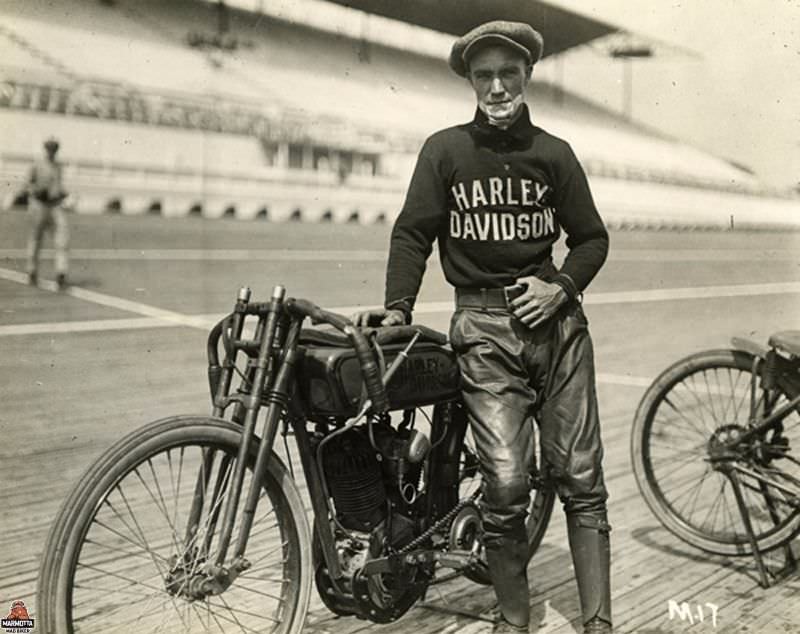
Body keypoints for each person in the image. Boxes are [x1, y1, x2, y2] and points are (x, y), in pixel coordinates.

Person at [354, 20, 612, 634]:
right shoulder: (444, 150)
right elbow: (412, 234)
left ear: (526, 76)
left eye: (508, 74)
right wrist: (398, 308)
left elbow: (592, 240)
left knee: (581, 478)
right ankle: (513, 620)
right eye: (484, 76)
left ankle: (599, 623)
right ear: (470, 81)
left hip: (559, 331)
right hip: (482, 330)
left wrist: (561, 288)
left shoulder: (554, 152)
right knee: (504, 482)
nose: (497, 87)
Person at [26, 136, 70, 289]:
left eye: (55, 148)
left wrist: (62, 193)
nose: (52, 151)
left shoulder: (58, 166)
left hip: (55, 206)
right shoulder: (37, 165)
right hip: (39, 205)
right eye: (50, 148)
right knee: (36, 239)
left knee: (62, 240)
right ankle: (32, 271)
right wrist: (37, 191)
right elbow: (28, 185)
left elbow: (58, 186)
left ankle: (61, 273)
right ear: (46, 149)